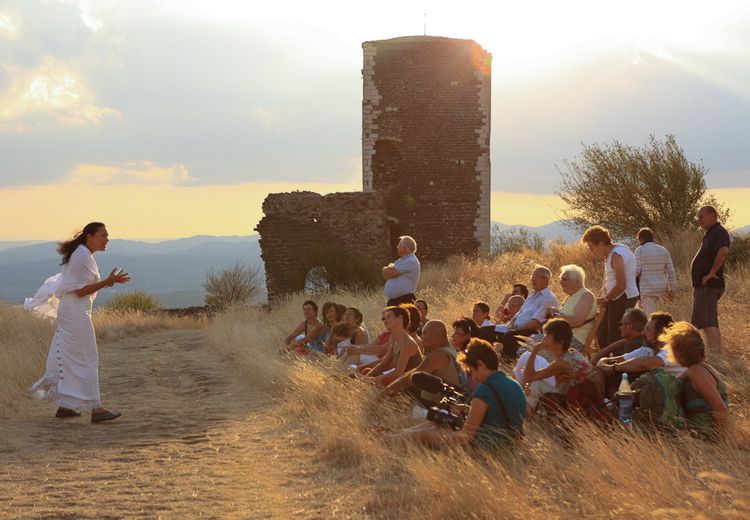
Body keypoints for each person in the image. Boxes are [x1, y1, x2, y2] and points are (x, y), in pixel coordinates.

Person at [28, 222, 130, 423]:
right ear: (89, 236)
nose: (107, 239)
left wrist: (107, 282)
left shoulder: (83, 254)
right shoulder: (81, 256)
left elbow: (81, 288)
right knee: (88, 357)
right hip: (75, 312)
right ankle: (97, 409)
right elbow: (80, 290)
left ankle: (66, 406)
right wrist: (108, 281)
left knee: (69, 356)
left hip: (73, 311)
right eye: (103, 235)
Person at [397, 339, 526, 449]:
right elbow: (498, 414)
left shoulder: (485, 390)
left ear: (480, 364)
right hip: (510, 444)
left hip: (488, 447)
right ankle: (396, 433)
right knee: (434, 424)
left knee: (427, 433)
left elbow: (465, 437)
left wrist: (439, 436)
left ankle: (386, 438)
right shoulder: (513, 384)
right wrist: (468, 409)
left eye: (472, 371)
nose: (474, 378)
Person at [666, 321, 729, 439]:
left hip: (704, 437)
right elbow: (676, 380)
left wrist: (719, 444)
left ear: (678, 353)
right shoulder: (702, 367)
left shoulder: (696, 371)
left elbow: (720, 409)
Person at [381, 320, 465, 405]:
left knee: (397, 394)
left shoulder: (439, 355)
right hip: (443, 402)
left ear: (434, 337)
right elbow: (415, 372)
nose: (421, 337)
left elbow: (410, 378)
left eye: (424, 333)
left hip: (435, 406)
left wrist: (381, 395)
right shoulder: (450, 350)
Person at [582, 225, 639, 348]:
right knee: (600, 332)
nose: (591, 251)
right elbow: (610, 281)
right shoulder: (616, 252)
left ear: (601, 243)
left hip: (622, 298)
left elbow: (621, 285)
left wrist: (606, 299)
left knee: (614, 337)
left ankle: (613, 363)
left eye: (592, 248)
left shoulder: (616, 256)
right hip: (616, 298)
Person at [594, 311, 673, 398]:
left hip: (671, 399)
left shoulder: (670, 351)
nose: (643, 333)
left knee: (622, 375)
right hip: (658, 395)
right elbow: (614, 360)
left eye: (647, 329)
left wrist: (613, 368)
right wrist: (601, 369)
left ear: (660, 334)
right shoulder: (647, 350)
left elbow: (643, 364)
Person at [522, 319, 593, 414]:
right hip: (577, 397)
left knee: (536, 384)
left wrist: (535, 350)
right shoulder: (571, 353)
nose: (544, 340)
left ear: (561, 342)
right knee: (537, 384)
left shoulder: (564, 362)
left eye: (547, 337)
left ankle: (523, 414)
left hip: (573, 401)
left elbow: (528, 377)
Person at [690, 205, 731, 353]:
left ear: (713, 216)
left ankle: (714, 354)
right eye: (698, 217)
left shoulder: (718, 232)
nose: (698, 220)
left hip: (709, 285)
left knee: (705, 322)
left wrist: (711, 272)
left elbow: (724, 250)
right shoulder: (711, 233)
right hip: (706, 286)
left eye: (701, 216)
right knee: (711, 322)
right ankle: (716, 355)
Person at [500, 266, 559, 359]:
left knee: (509, 335)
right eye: (533, 276)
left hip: (532, 331)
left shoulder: (548, 298)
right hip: (515, 327)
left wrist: (516, 330)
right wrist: (510, 325)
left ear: (545, 280)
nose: (532, 279)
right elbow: (519, 313)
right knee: (487, 330)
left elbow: (536, 322)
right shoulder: (532, 294)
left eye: (536, 276)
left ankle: (508, 362)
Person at [363, 305, 422, 386]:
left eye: (388, 317)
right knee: (366, 371)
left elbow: (398, 372)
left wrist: (374, 379)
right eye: (384, 318)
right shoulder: (395, 341)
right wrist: (365, 378)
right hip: (399, 380)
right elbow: (382, 364)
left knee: (383, 380)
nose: (385, 320)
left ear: (400, 318)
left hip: (410, 384)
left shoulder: (407, 343)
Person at [551, 264, 597, 352]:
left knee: (532, 349)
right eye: (560, 279)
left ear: (577, 281)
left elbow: (577, 322)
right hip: (560, 336)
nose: (561, 282)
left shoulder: (586, 296)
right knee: (529, 344)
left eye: (564, 279)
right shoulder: (569, 298)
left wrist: (556, 315)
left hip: (574, 339)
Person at [634, 227, 677, 315]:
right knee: (661, 317)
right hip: (662, 289)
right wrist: (672, 289)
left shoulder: (640, 250)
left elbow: (637, 271)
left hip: (647, 290)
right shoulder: (663, 250)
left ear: (641, 239)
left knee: (648, 317)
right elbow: (671, 271)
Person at [382, 235, 421, 306]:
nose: (397, 247)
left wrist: (385, 269)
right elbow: (386, 275)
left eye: (399, 245)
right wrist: (388, 271)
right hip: (396, 301)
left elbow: (391, 273)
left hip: (404, 300)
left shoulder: (411, 260)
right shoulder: (400, 261)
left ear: (404, 248)